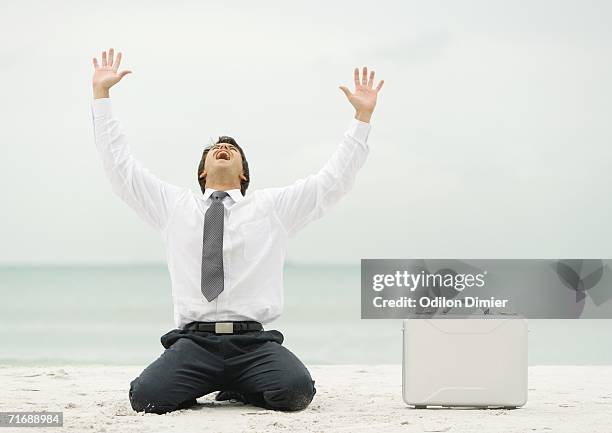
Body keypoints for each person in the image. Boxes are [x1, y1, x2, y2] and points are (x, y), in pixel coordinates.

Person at [90, 47, 384, 414]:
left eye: (231, 148)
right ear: (203, 172)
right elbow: (120, 168)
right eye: (216, 148)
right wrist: (101, 96)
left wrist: (362, 117)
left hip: (253, 345)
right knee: (146, 398)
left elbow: (333, 181)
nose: (223, 148)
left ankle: (240, 385)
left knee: (295, 392)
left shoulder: (272, 208)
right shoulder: (173, 207)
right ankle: (215, 381)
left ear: (243, 173)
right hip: (194, 344)